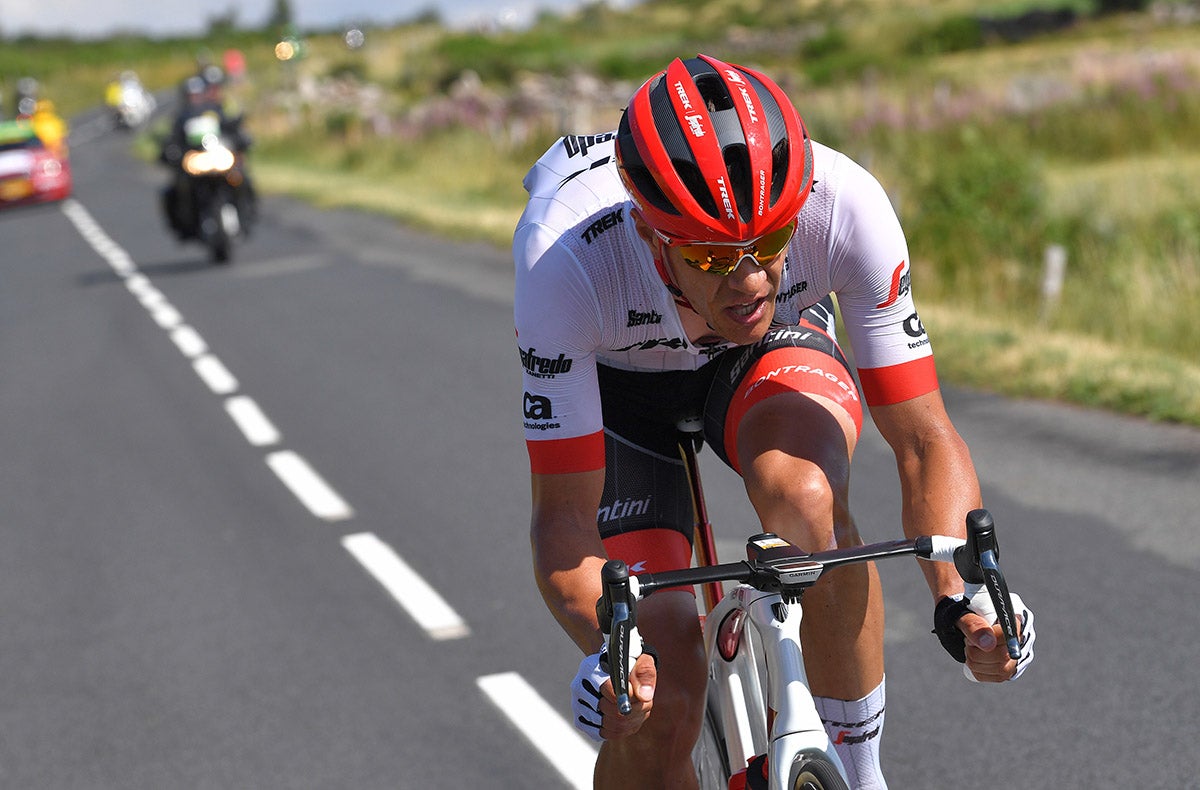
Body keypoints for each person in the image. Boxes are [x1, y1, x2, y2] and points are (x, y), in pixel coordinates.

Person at [512, 54, 1036, 789]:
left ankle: (858, 770)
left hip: (763, 354)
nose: (752, 278)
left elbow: (923, 440)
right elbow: (562, 525)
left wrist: (964, 596)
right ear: (649, 233)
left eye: (771, 242)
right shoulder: (562, 264)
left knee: (806, 499)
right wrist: (611, 648)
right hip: (619, 388)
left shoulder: (844, 203)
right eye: (712, 256)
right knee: (659, 685)